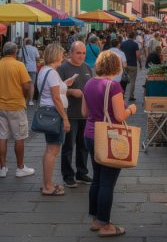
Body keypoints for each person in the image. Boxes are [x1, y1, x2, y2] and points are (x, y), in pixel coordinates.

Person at [82, 51, 138, 237]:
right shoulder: (113, 86)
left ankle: (96, 220)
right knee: (107, 182)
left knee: (97, 178)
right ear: (115, 66)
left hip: (90, 134)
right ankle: (105, 225)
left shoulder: (89, 83)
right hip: (109, 137)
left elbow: (84, 112)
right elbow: (120, 116)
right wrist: (131, 109)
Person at [0, 42, 35, 178]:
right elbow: (26, 86)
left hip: (0, 105)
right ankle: (20, 167)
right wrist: (25, 97)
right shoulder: (19, 65)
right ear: (15, 52)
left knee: (2, 137)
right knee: (19, 137)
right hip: (16, 105)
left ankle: (2, 168)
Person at [37, 44, 76, 196]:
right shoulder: (52, 73)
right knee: (52, 150)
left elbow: (52, 91)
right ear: (55, 55)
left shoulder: (44, 70)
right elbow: (55, 98)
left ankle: (47, 183)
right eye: (61, 54)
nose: (63, 57)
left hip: (49, 111)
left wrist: (65, 84)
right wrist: (65, 118)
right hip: (55, 113)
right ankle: (48, 186)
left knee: (49, 149)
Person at [58, 41, 93, 188]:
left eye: (84, 53)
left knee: (83, 146)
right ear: (71, 53)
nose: (81, 56)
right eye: (78, 53)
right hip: (70, 114)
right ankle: (68, 175)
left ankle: (81, 172)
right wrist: (71, 91)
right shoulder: (62, 68)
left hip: (85, 114)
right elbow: (55, 90)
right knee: (68, 147)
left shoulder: (87, 67)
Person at [120, 33, 141, 101]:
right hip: (133, 64)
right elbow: (138, 55)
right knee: (132, 81)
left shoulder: (123, 43)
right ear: (134, 37)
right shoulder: (135, 44)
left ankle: (122, 94)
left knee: (123, 80)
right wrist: (140, 63)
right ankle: (131, 96)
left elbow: (120, 53)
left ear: (128, 36)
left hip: (124, 64)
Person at [18, 38, 39, 106]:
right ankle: (30, 101)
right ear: (31, 43)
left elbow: (19, 58)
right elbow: (38, 58)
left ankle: (24, 99)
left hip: (24, 68)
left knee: (24, 83)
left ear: (26, 43)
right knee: (32, 84)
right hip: (33, 68)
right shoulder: (35, 49)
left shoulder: (22, 49)